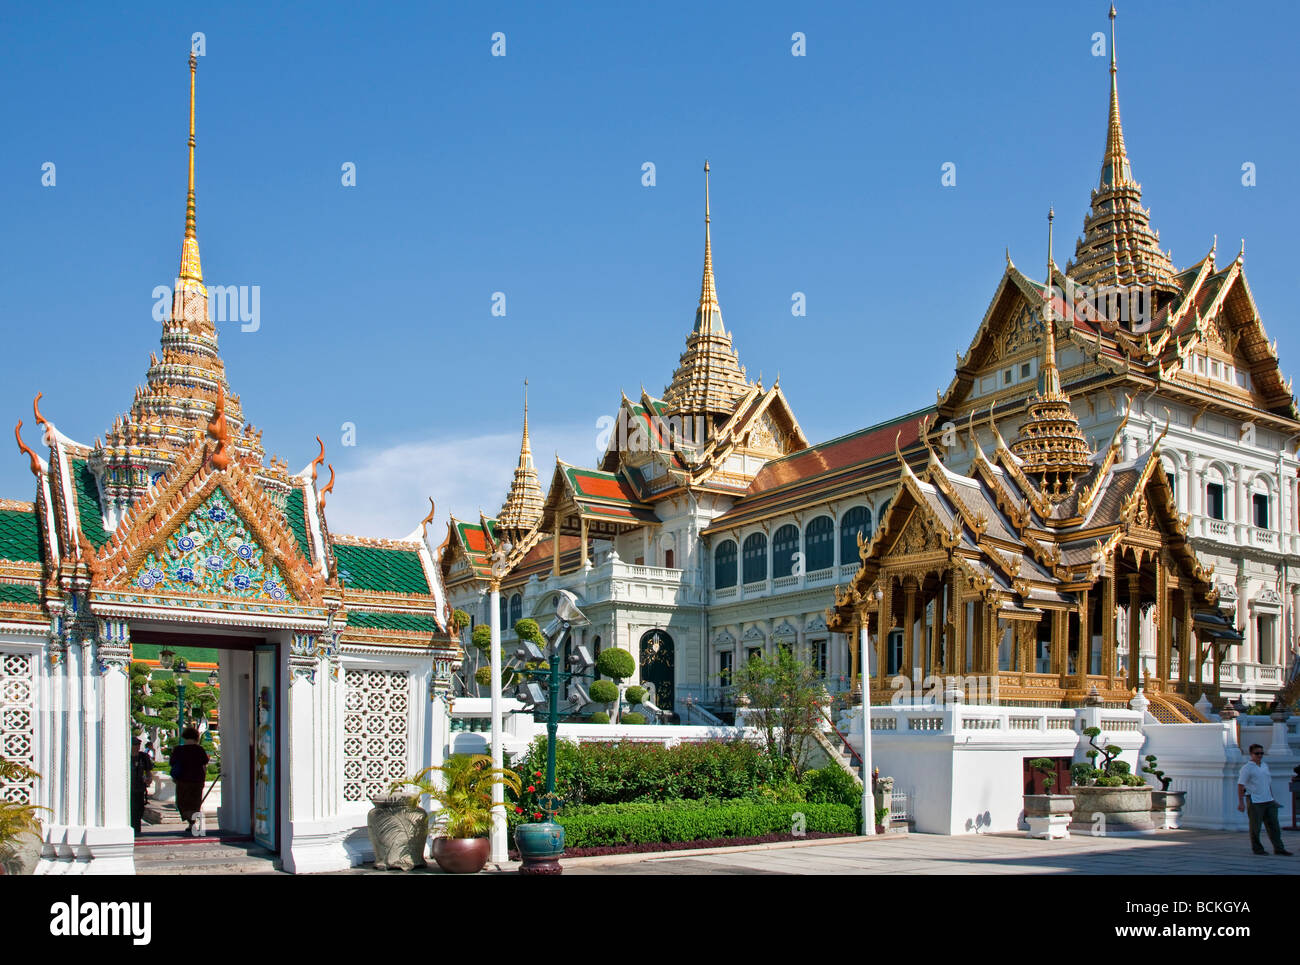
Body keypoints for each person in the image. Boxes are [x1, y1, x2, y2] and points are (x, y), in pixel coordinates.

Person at [1237, 744, 1292, 856]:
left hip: (1268, 801)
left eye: (1261, 753)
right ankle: (1257, 849)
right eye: (1257, 753)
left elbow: (1267, 783)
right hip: (1255, 801)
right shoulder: (1247, 768)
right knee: (1255, 828)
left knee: (1274, 826)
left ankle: (1279, 848)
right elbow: (1240, 785)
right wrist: (1241, 803)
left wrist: (1272, 798)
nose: (1260, 755)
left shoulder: (1264, 766)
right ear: (1251, 754)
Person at [169, 726, 210, 830]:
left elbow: (172, 763)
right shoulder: (199, 750)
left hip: (182, 780)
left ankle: (189, 819)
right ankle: (192, 822)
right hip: (197, 780)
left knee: (182, 801)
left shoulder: (178, 750)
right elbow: (205, 763)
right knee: (195, 801)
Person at [130, 738, 154, 834]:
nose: (136, 747)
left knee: (139, 810)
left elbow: (148, 771)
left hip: (139, 787)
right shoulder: (125, 756)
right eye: (134, 745)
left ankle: (137, 830)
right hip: (129, 788)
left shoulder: (143, 757)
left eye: (138, 745)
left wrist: (149, 779)